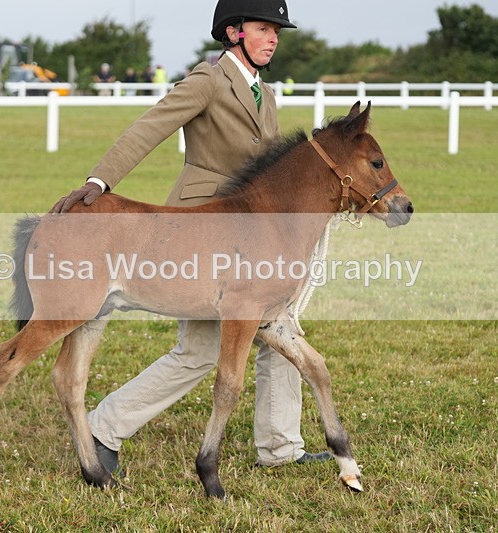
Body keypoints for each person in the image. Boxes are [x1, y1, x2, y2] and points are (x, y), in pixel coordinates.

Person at [51, 0, 331, 474]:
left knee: (282, 334)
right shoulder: (207, 79)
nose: (274, 38)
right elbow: (150, 127)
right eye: (265, 28)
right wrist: (99, 181)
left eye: (277, 31)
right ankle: (103, 428)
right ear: (235, 31)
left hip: (256, 237)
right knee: (199, 351)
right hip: (202, 229)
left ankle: (280, 449)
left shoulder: (267, 92)